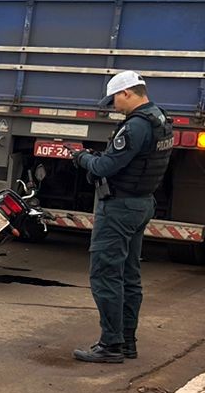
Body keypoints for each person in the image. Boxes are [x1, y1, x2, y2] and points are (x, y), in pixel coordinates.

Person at [71, 70, 171, 364]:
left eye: (115, 98)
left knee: (105, 275)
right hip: (141, 203)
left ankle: (110, 345)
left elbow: (105, 167)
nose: (113, 105)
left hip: (119, 207)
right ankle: (127, 342)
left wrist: (80, 157)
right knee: (129, 276)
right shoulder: (159, 119)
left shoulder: (136, 126)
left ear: (128, 93)